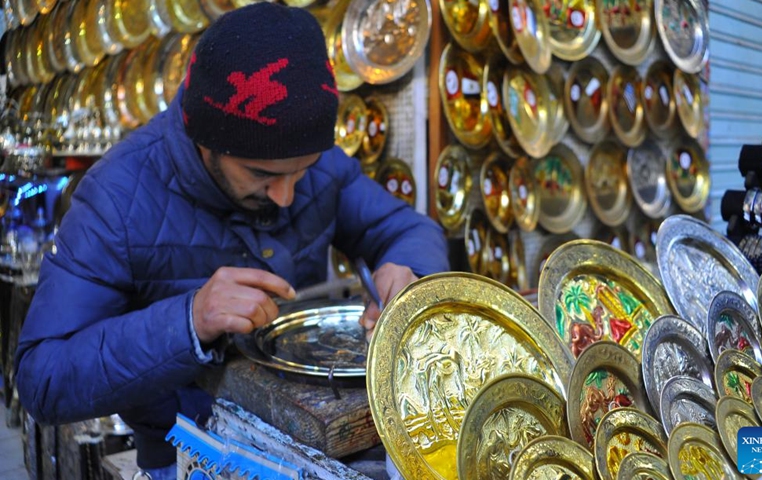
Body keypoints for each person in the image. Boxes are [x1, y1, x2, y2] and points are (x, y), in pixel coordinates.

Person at [14, 4, 449, 478]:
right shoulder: (117, 195)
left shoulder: (317, 166)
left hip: (313, 447)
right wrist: (188, 320)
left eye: (299, 173)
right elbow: (44, 377)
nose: (285, 196)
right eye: (262, 174)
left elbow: (410, 229)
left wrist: (406, 272)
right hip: (185, 455)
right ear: (207, 139)